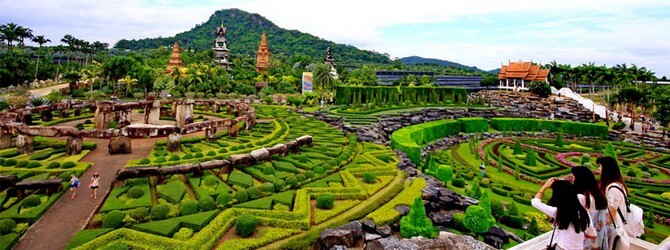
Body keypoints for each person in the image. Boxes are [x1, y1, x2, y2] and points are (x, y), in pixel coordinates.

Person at [532, 178, 591, 250]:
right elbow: (590, 233)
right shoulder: (584, 212)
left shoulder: (558, 212)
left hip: (563, 247)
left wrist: (544, 187)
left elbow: (535, 202)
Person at [572, 166, 610, 249]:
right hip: (598, 238)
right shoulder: (600, 196)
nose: (573, 180)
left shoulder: (582, 197)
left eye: (574, 177)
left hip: (584, 239)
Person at [597, 156, 630, 250]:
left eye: (599, 166)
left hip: (611, 230)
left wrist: (597, 225)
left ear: (606, 169)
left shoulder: (613, 189)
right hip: (611, 229)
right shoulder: (616, 185)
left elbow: (610, 215)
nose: (598, 169)